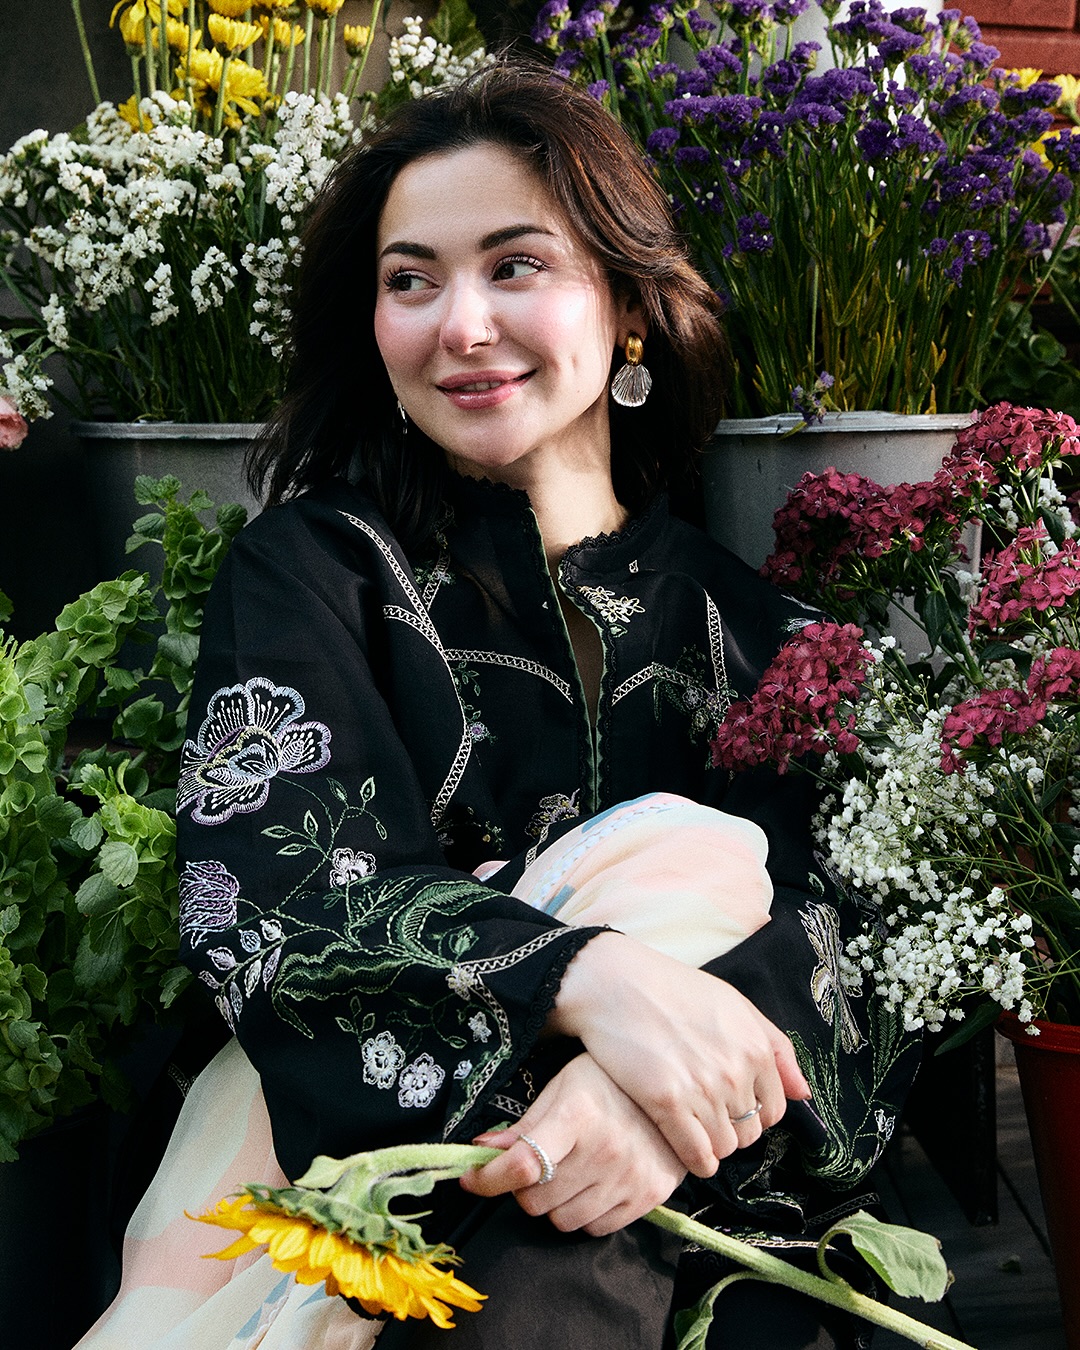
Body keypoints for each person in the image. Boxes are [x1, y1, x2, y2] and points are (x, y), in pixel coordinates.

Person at [78, 61, 918, 1350]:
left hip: (724, 1204)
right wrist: (582, 977)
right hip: (385, 1180)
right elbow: (273, 890)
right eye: (410, 281)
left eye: (516, 266)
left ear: (628, 303)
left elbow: (864, 944)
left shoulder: (766, 636)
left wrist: (632, 1112)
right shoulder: (319, 574)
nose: (460, 326)